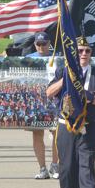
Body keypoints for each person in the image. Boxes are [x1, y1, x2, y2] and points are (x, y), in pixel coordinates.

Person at [46, 36, 95, 188]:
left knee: (87, 162)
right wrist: (65, 78)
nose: (83, 54)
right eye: (80, 50)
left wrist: (91, 97)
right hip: (66, 126)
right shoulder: (62, 70)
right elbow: (49, 92)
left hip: (88, 126)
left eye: (87, 51)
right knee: (67, 165)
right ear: (74, 52)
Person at [26, 31, 59, 179]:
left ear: (49, 43)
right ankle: (42, 168)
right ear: (34, 44)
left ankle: (55, 165)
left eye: (44, 44)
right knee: (37, 133)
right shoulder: (28, 59)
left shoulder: (58, 58)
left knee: (57, 133)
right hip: (36, 101)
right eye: (38, 44)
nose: (41, 47)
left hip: (55, 100)